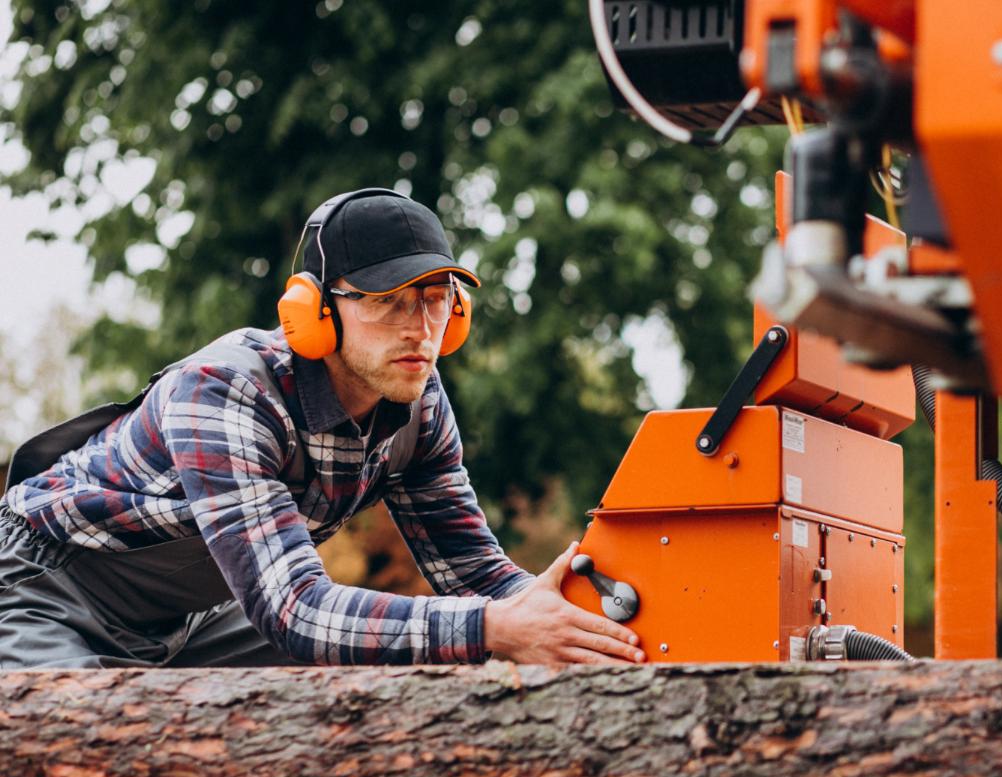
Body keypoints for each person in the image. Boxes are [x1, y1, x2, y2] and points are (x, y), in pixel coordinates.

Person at [0, 187, 644, 669]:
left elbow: (476, 575)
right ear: (313, 311)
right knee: (68, 751)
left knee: (366, 676)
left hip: (192, 614)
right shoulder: (225, 392)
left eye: (435, 300)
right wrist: (493, 629)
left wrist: (578, 620)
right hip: (49, 588)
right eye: (388, 302)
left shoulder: (417, 400)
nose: (419, 330)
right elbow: (294, 609)